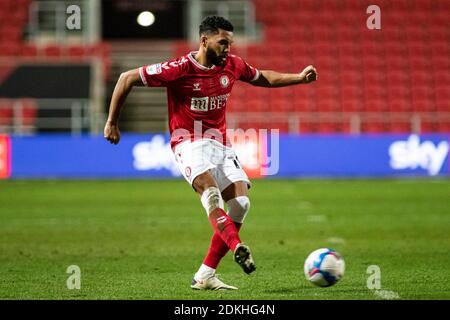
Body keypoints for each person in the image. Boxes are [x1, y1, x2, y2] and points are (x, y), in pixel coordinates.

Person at [104, 16, 317, 290]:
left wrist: (298, 78)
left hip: (220, 143)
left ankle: (205, 274)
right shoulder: (179, 69)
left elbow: (263, 77)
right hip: (187, 142)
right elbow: (126, 78)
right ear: (204, 41)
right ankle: (237, 246)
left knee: (241, 205)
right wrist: (112, 122)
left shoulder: (232, 65)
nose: (228, 48)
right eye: (223, 43)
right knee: (211, 193)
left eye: (230, 43)